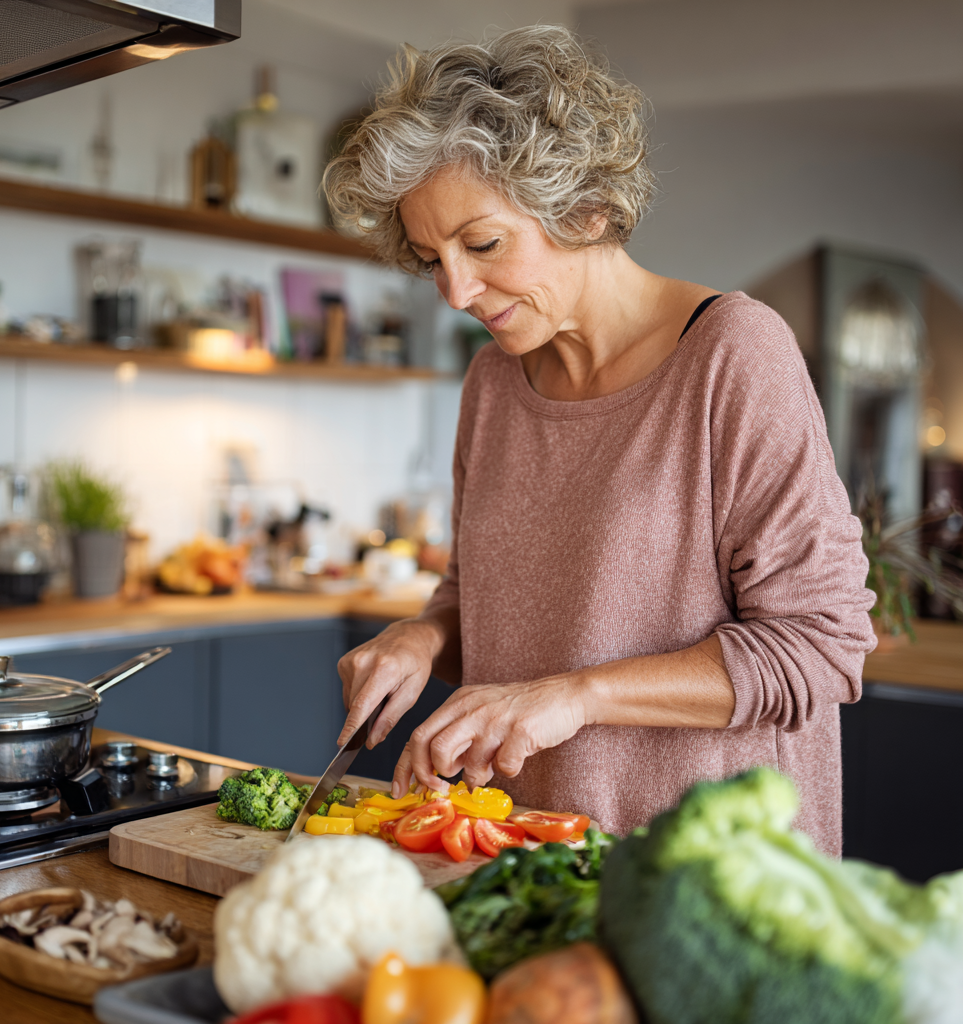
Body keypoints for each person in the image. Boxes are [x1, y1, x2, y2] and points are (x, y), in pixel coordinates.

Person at [322, 26, 875, 855]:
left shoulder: (732, 355)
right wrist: (424, 636)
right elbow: (491, 601)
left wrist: (575, 695)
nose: (456, 290)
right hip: (532, 864)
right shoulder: (493, 385)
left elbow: (822, 645)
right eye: (433, 258)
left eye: (482, 244)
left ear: (582, 205)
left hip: (709, 882)